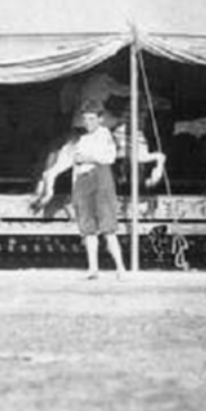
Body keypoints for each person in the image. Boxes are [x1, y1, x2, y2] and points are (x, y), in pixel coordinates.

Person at [72, 102, 127, 280]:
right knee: (88, 227)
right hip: (84, 179)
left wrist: (88, 157)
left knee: (107, 226)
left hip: (100, 178)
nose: (88, 122)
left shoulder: (104, 135)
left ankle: (120, 268)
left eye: (92, 118)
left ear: (100, 119)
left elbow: (108, 158)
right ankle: (93, 268)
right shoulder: (83, 139)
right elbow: (77, 160)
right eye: (86, 119)